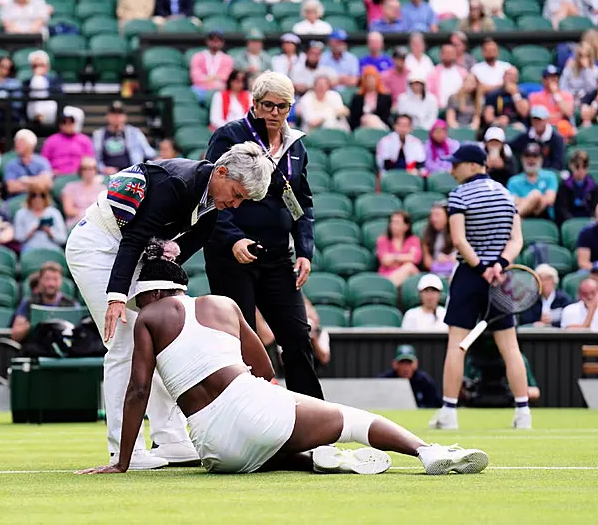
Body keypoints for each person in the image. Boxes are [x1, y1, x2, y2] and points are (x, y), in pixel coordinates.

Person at [77, 240, 489, 475]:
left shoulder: (148, 317)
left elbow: (138, 391)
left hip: (215, 452)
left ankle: (316, 459)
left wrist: (122, 463)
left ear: (150, 291)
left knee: (265, 445)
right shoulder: (222, 305)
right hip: (256, 412)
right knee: (355, 421)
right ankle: (426, 451)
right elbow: (266, 369)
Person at [65, 143, 274, 470]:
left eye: (243, 199)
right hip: (97, 246)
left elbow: (182, 246)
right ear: (220, 172)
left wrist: (163, 275)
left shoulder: (212, 205)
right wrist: (116, 296)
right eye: (236, 193)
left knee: (162, 337)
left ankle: (172, 437)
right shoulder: (175, 184)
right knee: (123, 344)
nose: (236, 203)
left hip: (137, 250)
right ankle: (125, 451)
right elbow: (134, 237)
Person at [202, 71, 324, 402]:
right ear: (254, 103)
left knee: (298, 335)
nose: (274, 112)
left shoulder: (295, 145)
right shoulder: (229, 135)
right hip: (233, 255)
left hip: (277, 255)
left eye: (282, 106)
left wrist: (304, 250)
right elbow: (212, 191)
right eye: (268, 105)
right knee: (240, 340)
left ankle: (315, 421)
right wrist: (232, 238)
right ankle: (245, 415)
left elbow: (301, 202)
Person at [429, 144, 532, 431]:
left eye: (457, 164)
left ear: (474, 165)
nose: (452, 169)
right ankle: (523, 412)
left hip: (470, 275)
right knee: (510, 347)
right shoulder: (506, 194)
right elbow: (516, 240)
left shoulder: (459, 195)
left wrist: (481, 267)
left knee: (456, 344)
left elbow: (459, 240)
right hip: (501, 276)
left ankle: (449, 412)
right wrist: (498, 264)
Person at [10, 262, 77, 342]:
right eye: (47, 279)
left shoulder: (72, 305)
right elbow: (15, 335)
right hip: (35, 350)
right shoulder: (28, 303)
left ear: (61, 281)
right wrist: (33, 323)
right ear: (40, 280)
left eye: (55, 279)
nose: (51, 284)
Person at [377, 344, 443, 408]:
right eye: (402, 363)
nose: (406, 368)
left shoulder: (424, 381)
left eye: (409, 363)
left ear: (415, 364)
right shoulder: (385, 380)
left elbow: (436, 405)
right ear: (395, 364)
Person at [507, 142, 558, 220]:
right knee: (535, 195)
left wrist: (533, 199)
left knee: (536, 194)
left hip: (544, 216)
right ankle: (516, 217)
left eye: (535, 156)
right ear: (522, 159)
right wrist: (533, 202)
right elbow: (512, 202)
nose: (531, 159)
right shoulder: (513, 181)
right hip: (523, 218)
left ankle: (514, 217)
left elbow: (550, 200)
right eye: (527, 156)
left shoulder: (550, 176)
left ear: (541, 159)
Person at [556, 150, 598, 224]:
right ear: (571, 166)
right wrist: (572, 222)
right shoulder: (564, 186)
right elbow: (561, 210)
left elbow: (594, 208)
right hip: (569, 222)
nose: (581, 170)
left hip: (589, 222)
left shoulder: (594, 187)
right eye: (577, 166)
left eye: (584, 166)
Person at [422, 202, 457, 277]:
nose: (434, 219)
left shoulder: (457, 233)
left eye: (437, 215)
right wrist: (437, 262)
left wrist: (451, 259)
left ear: (447, 217)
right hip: (435, 273)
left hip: (454, 271)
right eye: (432, 215)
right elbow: (427, 262)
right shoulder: (427, 234)